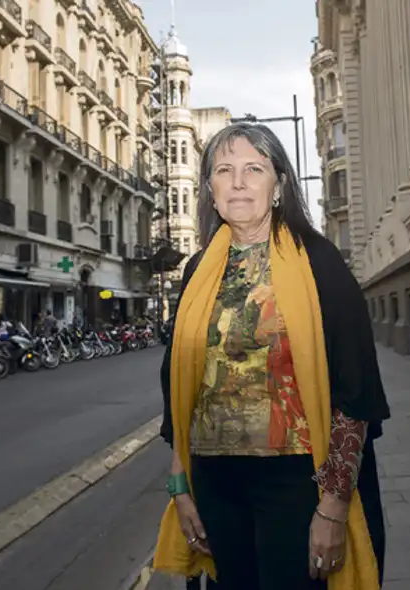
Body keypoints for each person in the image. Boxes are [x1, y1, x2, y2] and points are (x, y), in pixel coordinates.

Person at [153, 123, 390, 590]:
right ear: (210, 189)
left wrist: (333, 507)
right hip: (214, 483)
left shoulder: (319, 261)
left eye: (254, 169)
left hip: (297, 482)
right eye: (224, 170)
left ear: (278, 185)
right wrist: (180, 487)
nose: (238, 182)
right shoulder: (198, 270)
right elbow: (181, 393)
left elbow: (355, 390)